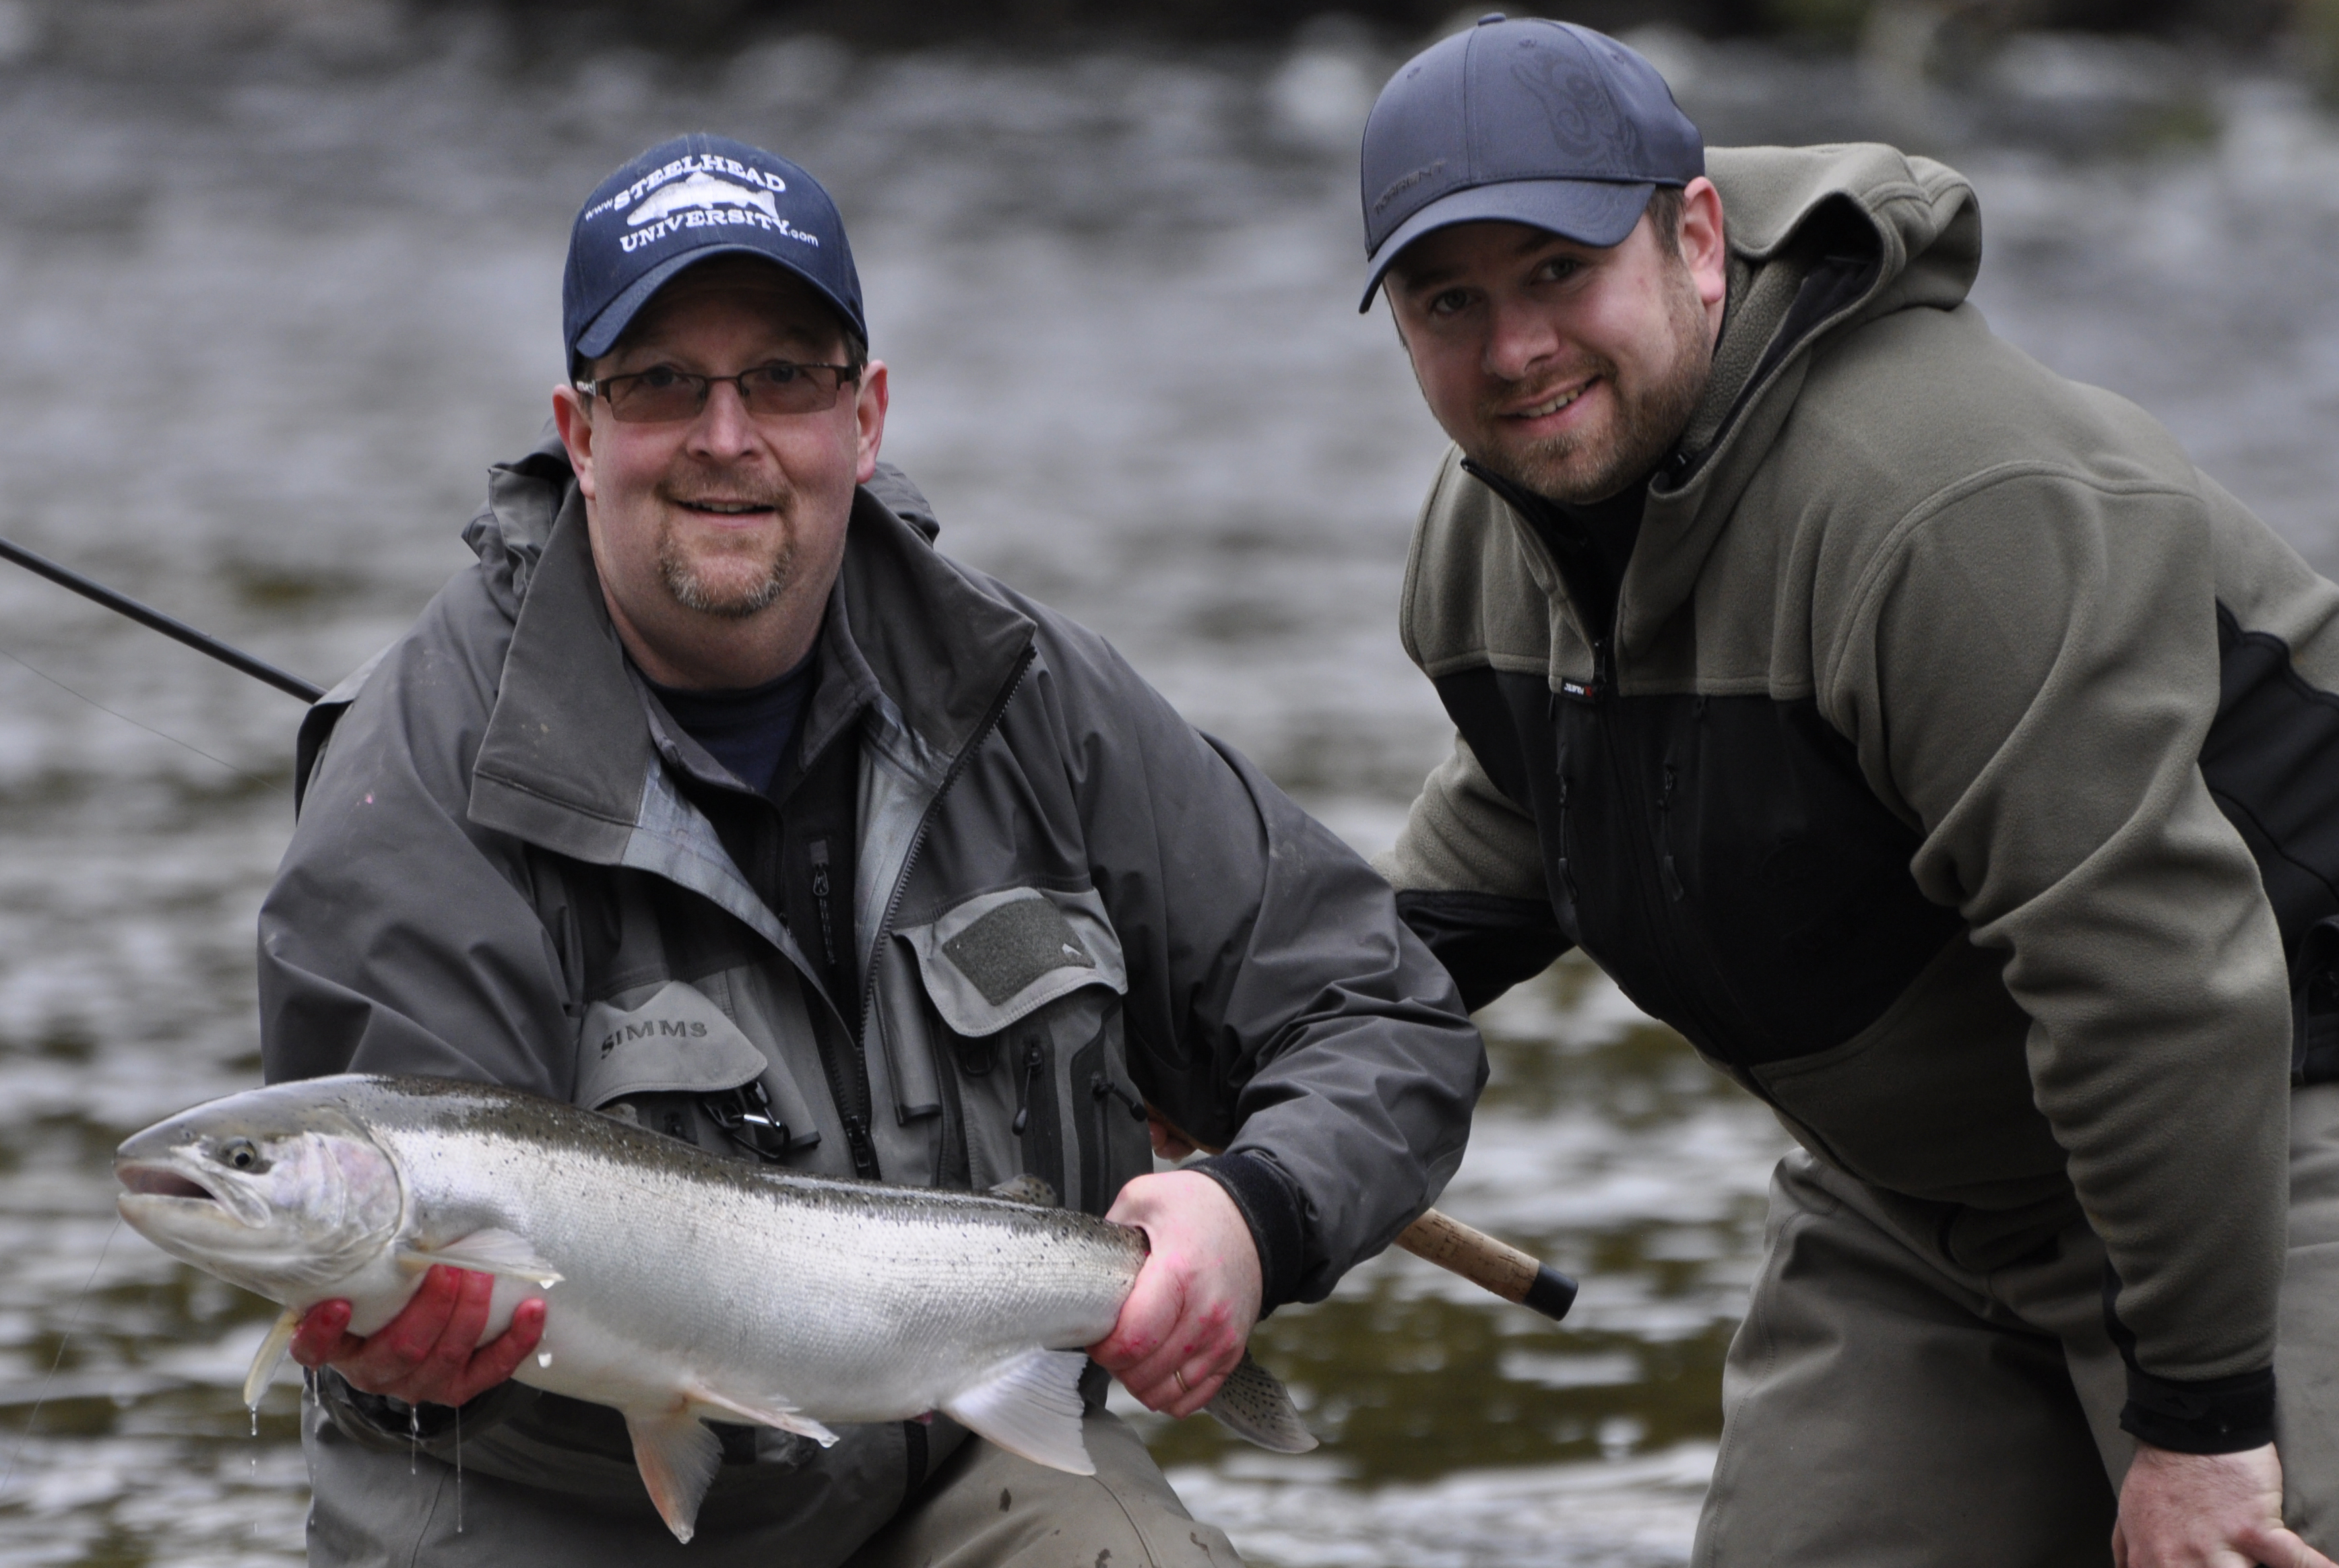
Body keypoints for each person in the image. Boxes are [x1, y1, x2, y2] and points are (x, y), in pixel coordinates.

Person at [255, 132, 1484, 1568]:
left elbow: (1377, 1009)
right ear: (579, 434)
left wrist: (1248, 1215)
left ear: (866, 415)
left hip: (955, 1463)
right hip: (552, 1507)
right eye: (659, 383)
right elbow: (380, 1254)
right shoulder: (408, 777)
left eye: (783, 377)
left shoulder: (1024, 695)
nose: (727, 436)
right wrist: (391, 1347)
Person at [1358, 16, 2339, 1568]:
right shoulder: (1499, 514)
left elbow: (2156, 989)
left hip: (2270, 1112)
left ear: (1692, 236)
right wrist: (1265, 1050)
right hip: (1915, 1198)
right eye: (1447, 301)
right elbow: (1517, 817)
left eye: (1556, 272)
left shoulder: (1940, 505)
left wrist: (2205, 1432)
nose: (1514, 349)